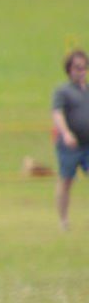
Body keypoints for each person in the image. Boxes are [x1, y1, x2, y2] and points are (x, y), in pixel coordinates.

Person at [51, 49, 89, 231]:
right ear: (69, 69)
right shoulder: (62, 91)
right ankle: (63, 220)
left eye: (84, 67)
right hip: (70, 146)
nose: (81, 71)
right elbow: (57, 113)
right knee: (66, 181)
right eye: (77, 67)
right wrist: (66, 133)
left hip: (88, 144)